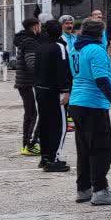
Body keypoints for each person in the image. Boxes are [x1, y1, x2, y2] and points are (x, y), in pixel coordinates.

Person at [68, 18, 111, 205]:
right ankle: (100, 190)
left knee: (84, 148)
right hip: (92, 104)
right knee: (102, 148)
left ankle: (84, 188)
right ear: (101, 34)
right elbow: (102, 80)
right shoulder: (96, 50)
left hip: (77, 102)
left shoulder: (76, 49)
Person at [33, 19, 72, 173]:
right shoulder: (59, 47)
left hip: (40, 89)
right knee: (59, 126)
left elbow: (36, 68)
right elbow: (62, 69)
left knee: (45, 123)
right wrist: (65, 90)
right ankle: (53, 159)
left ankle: (45, 157)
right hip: (54, 91)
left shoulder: (40, 46)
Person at [10, 17, 42, 157]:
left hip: (24, 81)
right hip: (28, 82)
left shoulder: (24, 39)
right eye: (40, 26)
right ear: (35, 27)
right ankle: (29, 144)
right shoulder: (30, 41)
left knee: (30, 113)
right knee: (32, 113)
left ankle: (27, 144)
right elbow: (31, 63)